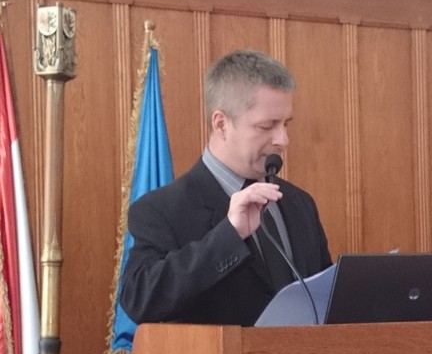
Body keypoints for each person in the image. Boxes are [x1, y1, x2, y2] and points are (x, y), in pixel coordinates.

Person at [120, 49, 332, 326]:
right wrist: (229, 235)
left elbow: (326, 300)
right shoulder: (161, 209)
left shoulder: (299, 203)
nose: (283, 140)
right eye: (267, 126)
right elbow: (140, 300)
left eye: (285, 124)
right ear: (221, 124)